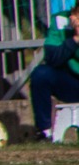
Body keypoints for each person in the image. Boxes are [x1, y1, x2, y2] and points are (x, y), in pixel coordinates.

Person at [30, 12, 79, 140]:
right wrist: (75, 40)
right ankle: (44, 132)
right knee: (41, 74)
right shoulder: (60, 20)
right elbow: (52, 59)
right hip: (71, 82)